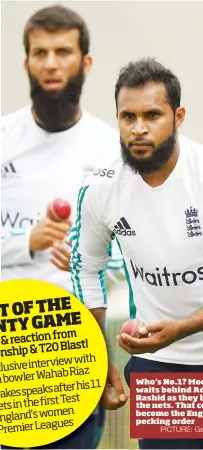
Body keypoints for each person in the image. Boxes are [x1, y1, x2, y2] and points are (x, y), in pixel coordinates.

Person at [69, 58, 203, 450]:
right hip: (162, 368)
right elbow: (86, 268)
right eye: (127, 116)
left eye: (152, 114)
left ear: (178, 116)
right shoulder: (100, 190)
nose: (139, 128)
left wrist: (182, 327)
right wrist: (96, 360)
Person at [1, 4, 124, 449]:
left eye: (63, 51)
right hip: (7, 349)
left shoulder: (113, 150)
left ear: (85, 62)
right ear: (27, 62)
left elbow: (136, 253)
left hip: (72, 350)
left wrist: (91, 255)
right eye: (41, 52)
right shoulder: (2, 139)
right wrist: (25, 243)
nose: (51, 63)